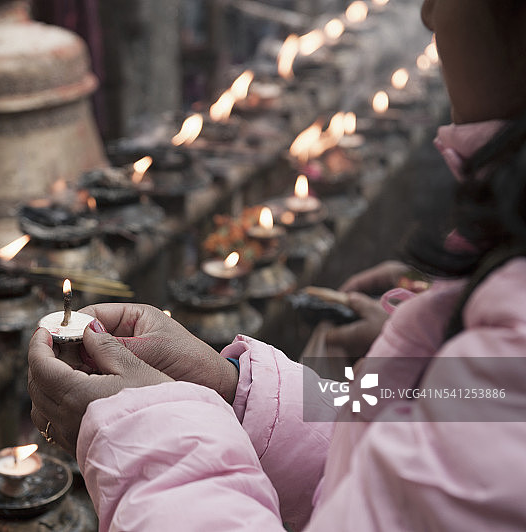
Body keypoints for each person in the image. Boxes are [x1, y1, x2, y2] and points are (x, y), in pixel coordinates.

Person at [28, 1, 526, 530]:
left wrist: (144, 430)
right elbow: (395, 463)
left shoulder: (508, 352)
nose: (427, 13)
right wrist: (234, 392)